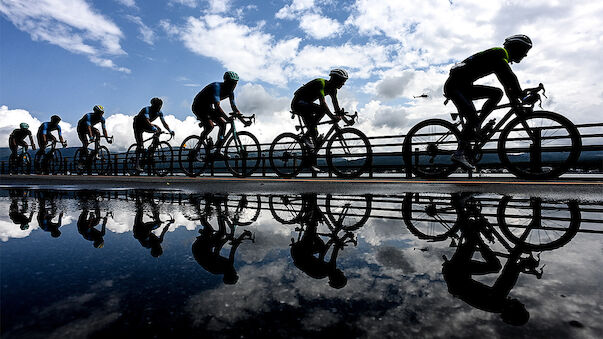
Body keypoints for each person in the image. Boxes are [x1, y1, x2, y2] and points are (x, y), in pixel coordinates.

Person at [444, 34, 533, 170]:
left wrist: (517, 101)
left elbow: (506, 83)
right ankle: (459, 153)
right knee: (473, 118)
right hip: (455, 87)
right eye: (525, 51)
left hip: (463, 86)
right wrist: (520, 96)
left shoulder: (501, 57)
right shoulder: (500, 53)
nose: (525, 55)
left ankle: (476, 125)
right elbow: (508, 78)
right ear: (517, 48)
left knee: (496, 93)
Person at [291, 68, 348, 171]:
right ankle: (306, 136)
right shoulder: (320, 83)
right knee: (321, 110)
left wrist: (346, 120)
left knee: (315, 135)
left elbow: (336, 108)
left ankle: (309, 162)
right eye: (342, 81)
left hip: (307, 105)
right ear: (335, 79)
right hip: (298, 103)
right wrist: (332, 117)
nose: (343, 84)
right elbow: (323, 104)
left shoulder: (333, 90)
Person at [191, 71, 243, 158]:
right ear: (226, 82)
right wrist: (227, 118)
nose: (233, 86)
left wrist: (244, 121)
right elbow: (217, 107)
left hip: (208, 106)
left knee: (222, 124)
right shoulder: (216, 87)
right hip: (198, 106)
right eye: (231, 83)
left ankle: (217, 151)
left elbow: (234, 108)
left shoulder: (231, 92)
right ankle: (196, 149)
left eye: (235, 83)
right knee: (210, 126)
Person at [133, 98, 174, 171]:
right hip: (138, 125)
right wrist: (153, 128)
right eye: (158, 106)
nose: (159, 108)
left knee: (159, 130)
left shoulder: (159, 112)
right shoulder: (146, 109)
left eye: (160, 106)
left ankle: (152, 149)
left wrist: (170, 130)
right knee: (140, 145)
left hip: (146, 124)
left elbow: (164, 123)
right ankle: (137, 165)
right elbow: (147, 120)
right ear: (153, 105)